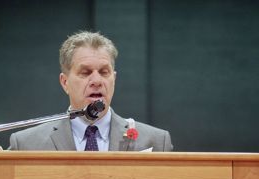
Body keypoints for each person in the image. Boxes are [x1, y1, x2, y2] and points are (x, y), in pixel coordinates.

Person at [9, 31, 173, 151]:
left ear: (113, 79)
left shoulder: (156, 141)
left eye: (104, 72)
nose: (96, 81)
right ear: (65, 82)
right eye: (85, 73)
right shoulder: (26, 144)